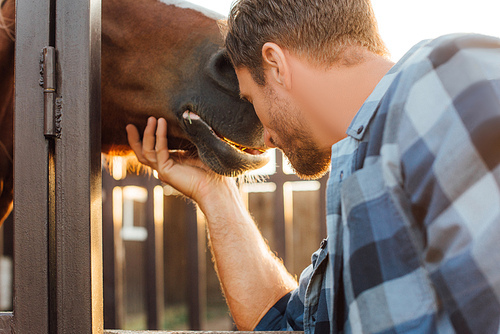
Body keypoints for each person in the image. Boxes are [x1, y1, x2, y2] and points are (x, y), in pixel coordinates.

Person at [126, 0, 500, 332]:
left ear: (275, 64)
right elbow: (279, 322)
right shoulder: (358, 172)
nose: (267, 136)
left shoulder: (446, 79)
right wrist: (215, 192)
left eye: (252, 98)